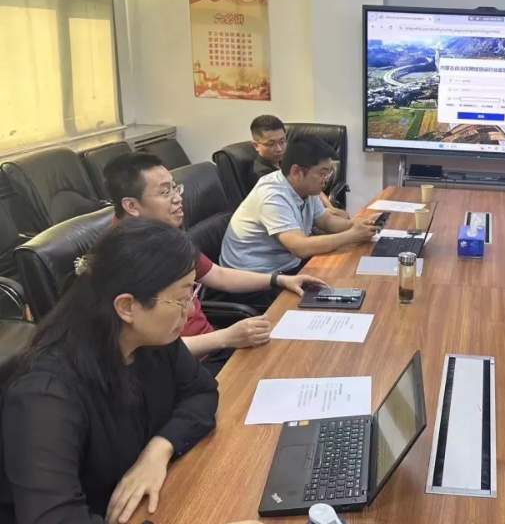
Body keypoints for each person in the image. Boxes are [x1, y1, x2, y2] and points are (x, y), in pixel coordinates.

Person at [0, 219, 218, 524]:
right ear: (127, 307)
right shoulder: (45, 394)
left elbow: (202, 392)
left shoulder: (153, 340)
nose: (191, 310)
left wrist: (159, 449)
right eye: (181, 300)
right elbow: (55, 517)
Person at [103, 153, 326, 376]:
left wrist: (280, 279)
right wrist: (226, 337)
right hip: (180, 367)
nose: (178, 198)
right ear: (131, 205)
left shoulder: (165, 234)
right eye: (165, 192)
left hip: (211, 347)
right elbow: (146, 354)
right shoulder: (118, 260)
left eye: (175, 188)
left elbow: (218, 275)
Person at [221, 136, 379, 274]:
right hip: (255, 277)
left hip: (285, 265)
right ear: (296, 172)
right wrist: (351, 235)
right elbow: (300, 247)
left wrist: (358, 225)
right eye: (322, 173)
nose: (326, 179)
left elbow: (326, 221)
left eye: (328, 173)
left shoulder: (305, 189)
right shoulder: (272, 196)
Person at [250, 114, 349, 219]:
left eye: (282, 142)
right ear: (256, 145)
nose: (279, 149)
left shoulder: (288, 158)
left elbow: (311, 186)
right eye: (271, 144)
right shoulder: (263, 177)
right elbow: (291, 209)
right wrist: (327, 213)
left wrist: (330, 207)